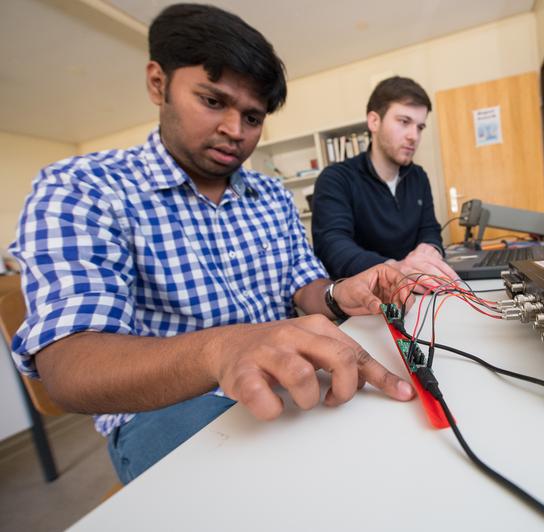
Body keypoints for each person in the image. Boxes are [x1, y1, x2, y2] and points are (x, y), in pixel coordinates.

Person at [9, 3, 415, 484]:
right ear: (158, 83)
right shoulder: (83, 188)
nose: (234, 131)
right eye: (213, 101)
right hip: (165, 409)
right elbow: (69, 367)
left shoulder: (269, 194)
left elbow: (302, 283)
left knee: (385, 444)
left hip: (288, 374)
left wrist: (335, 293)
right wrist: (222, 351)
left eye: (252, 116)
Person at [311, 76, 459, 282]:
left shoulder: (418, 177)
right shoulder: (336, 179)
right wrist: (394, 268)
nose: (414, 136)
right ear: (374, 121)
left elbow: (430, 229)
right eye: (404, 122)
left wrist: (430, 249)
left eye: (420, 127)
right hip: (365, 298)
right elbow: (333, 246)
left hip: (418, 287)